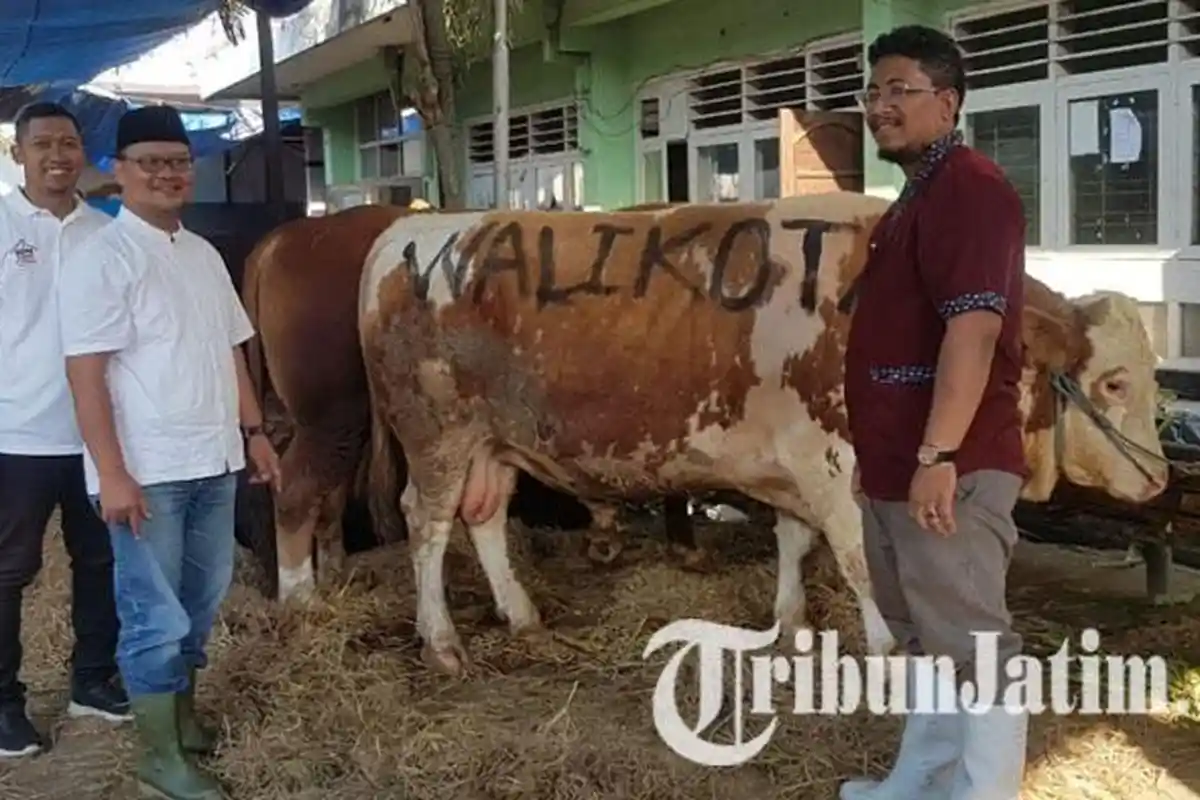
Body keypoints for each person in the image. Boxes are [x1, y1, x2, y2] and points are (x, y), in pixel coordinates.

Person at [58, 105, 281, 800]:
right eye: (149, 162)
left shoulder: (203, 252)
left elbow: (230, 354)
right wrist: (113, 473)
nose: (166, 174)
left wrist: (254, 432)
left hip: (213, 460)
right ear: (118, 172)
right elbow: (85, 374)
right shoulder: (102, 256)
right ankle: (157, 757)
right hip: (147, 472)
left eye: (177, 162)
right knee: (155, 614)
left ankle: (179, 719)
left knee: (201, 599)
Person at [842, 25, 1030, 800]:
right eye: (873, 92)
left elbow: (975, 326)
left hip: (950, 465)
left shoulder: (971, 190)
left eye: (899, 91)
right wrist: (883, 459)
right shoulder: (915, 198)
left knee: (973, 642)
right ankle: (921, 781)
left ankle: (981, 791)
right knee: (925, 635)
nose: (879, 107)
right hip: (898, 465)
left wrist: (935, 456)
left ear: (947, 103)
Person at [0, 102, 131, 758]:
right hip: (15, 433)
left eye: (70, 143)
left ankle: (92, 680)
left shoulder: (103, 231)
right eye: (44, 143)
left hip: (94, 437)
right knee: (8, 571)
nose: (59, 155)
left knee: (100, 559)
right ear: (18, 153)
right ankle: (2, 704)